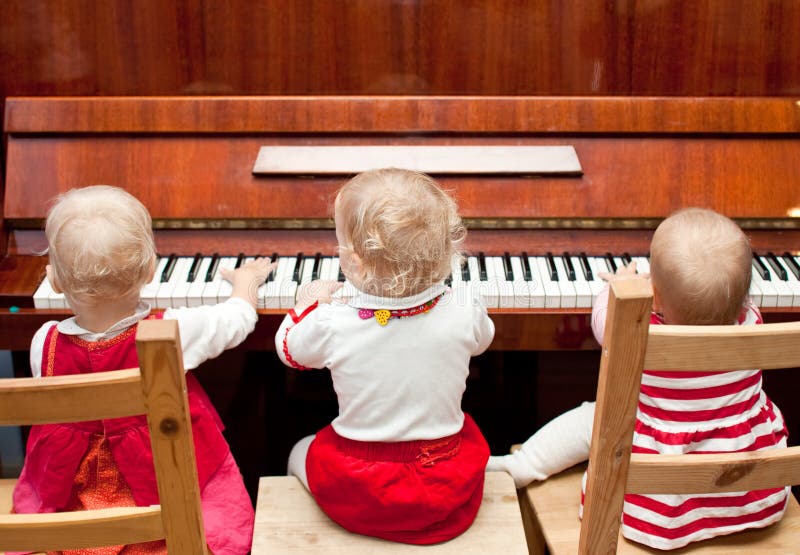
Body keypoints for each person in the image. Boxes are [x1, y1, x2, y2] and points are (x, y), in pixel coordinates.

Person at [488, 207, 789, 550]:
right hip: (748, 495)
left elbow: (603, 316)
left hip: (660, 512)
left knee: (596, 415)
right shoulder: (754, 323)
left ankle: (523, 464)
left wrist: (619, 287)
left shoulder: (639, 331)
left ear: (655, 297)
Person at [12, 185, 275, 555]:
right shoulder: (172, 331)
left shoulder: (45, 342)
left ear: (53, 280)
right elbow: (238, 317)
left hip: (77, 500)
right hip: (163, 490)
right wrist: (246, 282)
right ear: (152, 270)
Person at [275, 168, 495, 545]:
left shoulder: (332, 320)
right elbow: (483, 341)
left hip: (361, 490)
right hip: (445, 484)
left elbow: (288, 351)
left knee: (299, 449)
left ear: (355, 264)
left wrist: (308, 302)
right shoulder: (464, 307)